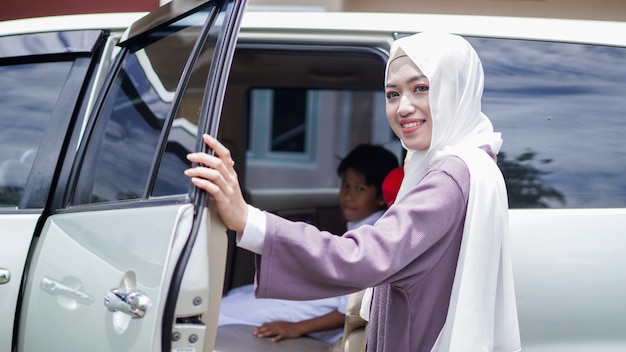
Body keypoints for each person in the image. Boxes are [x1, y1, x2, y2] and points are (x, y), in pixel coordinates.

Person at [185, 31, 521, 351]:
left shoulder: (449, 176)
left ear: (455, 90)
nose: (403, 107)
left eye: (421, 88)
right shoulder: (472, 163)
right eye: (393, 94)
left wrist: (249, 221)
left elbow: (366, 257)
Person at [217, 144, 399, 344]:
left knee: (221, 313)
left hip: (317, 308)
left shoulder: (373, 235)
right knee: (237, 295)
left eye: (360, 188)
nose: (348, 195)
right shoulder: (363, 224)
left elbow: (349, 310)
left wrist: (297, 328)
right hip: (315, 296)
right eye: (346, 185)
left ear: (381, 197)